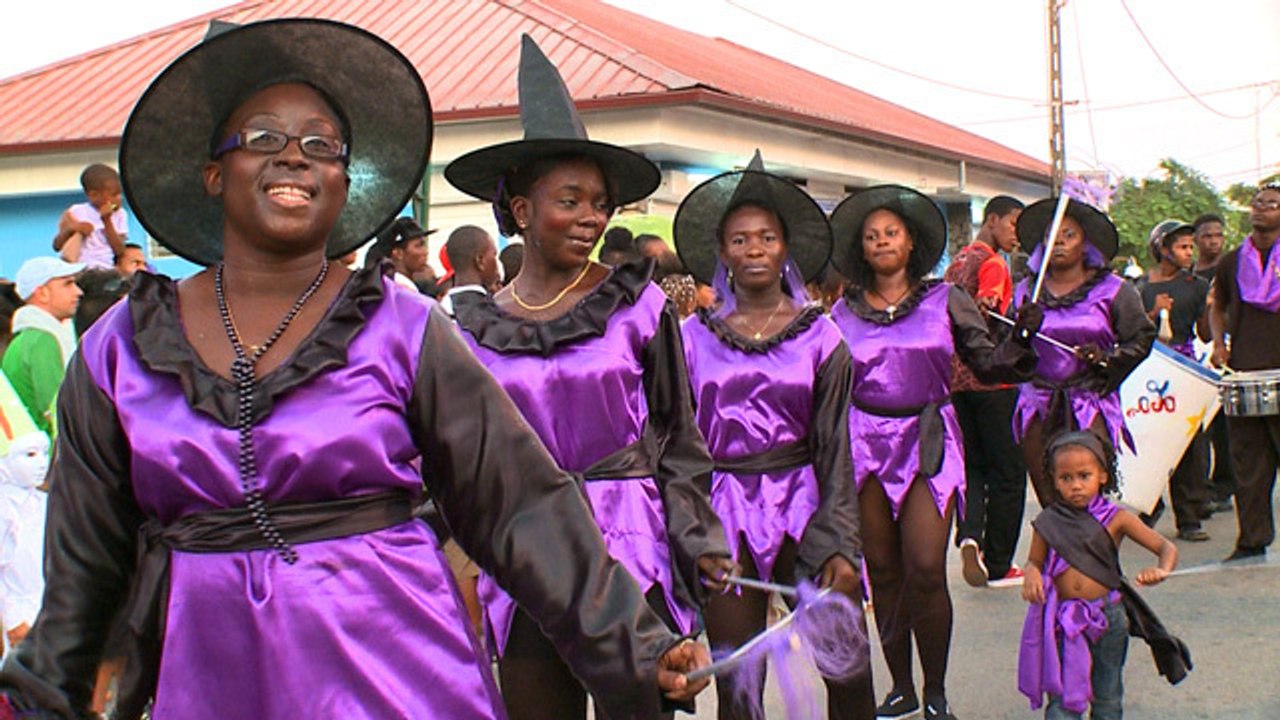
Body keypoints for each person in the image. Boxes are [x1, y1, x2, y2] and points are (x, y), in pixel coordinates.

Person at [0, 20, 713, 720]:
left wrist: (634, 642)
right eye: (263, 139)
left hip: (401, 682)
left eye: (321, 144)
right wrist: (48, 694)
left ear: (344, 182)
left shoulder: (403, 331)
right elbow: (84, 564)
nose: (294, 157)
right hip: (211, 681)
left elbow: (519, 504)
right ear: (215, 173)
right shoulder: (120, 349)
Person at [445, 35, 732, 720]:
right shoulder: (470, 328)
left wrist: (697, 540)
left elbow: (678, 437)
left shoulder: (637, 304)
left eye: (600, 202)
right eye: (569, 200)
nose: (592, 218)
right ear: (520, 211)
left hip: (630, 543)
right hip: (522, 561)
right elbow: (457, 463)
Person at [673, 152, 874, 719]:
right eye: (739, 240)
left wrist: (840, 541)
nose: (754, 248)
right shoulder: (690, 338)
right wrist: (695, 537)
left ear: (786, 247)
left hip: (806, 503)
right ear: (722, 253)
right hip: (723, 509)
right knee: (738, 679)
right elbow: (676, 446)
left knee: (846, 665)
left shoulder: (823, 336)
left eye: (766, 237)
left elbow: (838, 446)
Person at [827, 185, 1040, 720]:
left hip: (928, 438)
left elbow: (989, 364)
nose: (881, 241)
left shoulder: (945, 299)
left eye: (891, 233)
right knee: (883, 570)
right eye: (871, 235)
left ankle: (936, 690)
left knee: (925, 566)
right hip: (863, 441)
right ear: (861, 247)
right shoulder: (840, 311)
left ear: (912, 241)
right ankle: (899, 686)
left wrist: (1024, 339)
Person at [1018, 432, 1184, 720]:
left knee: (1107, 695)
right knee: (1062, 699)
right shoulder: (1048, 522)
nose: (1076, 486)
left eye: (1084, 476)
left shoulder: (1117, 518)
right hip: (1063, 621)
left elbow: (1164, 546)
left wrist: (1162, 569)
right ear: (1054, 481)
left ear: (1103, 476)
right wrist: (1031, 574)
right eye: (1066, 478)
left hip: (1109, 617)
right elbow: (1034, 560)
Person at [1009, 197, 1155, 508]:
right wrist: (1020, 332)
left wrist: (1106, 360)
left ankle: (1093, 555)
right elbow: (1007, 350)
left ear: (1085, 243)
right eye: (1051, 235)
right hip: (1038, 405)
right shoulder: (1025, 292)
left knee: (1088, 499)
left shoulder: (1115, 290)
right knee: (1051, 499)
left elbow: (1141, 338)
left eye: (1069, 234)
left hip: (1089, 404)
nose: (1059, 241)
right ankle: (1055, 557)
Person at [944, 195, 1028, 587]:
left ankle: (970, 535)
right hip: (994, 379)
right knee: (1009, 473)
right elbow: (987, 309)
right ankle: (999, 562)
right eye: (1013, 224)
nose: (1018, 234)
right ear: (992, 220)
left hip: (957, 383)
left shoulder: (957, 262)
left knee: (973, 468)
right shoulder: (994, 264)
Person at [1210, 184, 1280, 562]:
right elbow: (1216, 305)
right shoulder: (1232, 261)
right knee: (1249, 465)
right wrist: (1220, 344)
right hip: (1245, 373)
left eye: (1272, 204)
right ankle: (1252, 540)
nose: (1262, 209)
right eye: (1258, 203)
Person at [1134, 220, 1211, 541]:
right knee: (1147, 437)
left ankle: (1190, 516)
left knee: (1189, 442)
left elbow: (1205, 332)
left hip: (1183, 368)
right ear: (1163, 249)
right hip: (1146, 368)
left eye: (1190, 246)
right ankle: (1149, 504)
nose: (1188, 252)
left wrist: (1211, 309)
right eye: (1182, 246)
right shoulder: (1138, 287)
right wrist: (1153, 313)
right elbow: (1130, 327)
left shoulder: (1196, 285)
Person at [2, 257, 84, 437]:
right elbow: (58, 411)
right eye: (67, 284)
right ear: (42, 293)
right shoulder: (42, 340)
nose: (78, 292)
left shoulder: (28, 337)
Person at [0, 374, 51, 654]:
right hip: (19, 616)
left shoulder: (44, 502)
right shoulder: (4, 509)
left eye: (44, 453)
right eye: (30, 455)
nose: (41, 463)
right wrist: (11, 618)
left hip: (47, 608)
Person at [1191, 213, 1234, 513]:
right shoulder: (1190, 275)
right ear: (1195, 239)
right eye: (1207, 235)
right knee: (1199, 425)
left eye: (1218, 235)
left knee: (1226, 426)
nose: (1213, 241)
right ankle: (1200, 486)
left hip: (1227, 352)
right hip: (1195, 355)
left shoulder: (1229, 270)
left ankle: (1225, 484)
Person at [51, 164, 129, 270]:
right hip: (78, 270)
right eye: (113, 195)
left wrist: (107, 221)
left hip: (105, 269)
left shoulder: (120, 214)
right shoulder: (76, 211)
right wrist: (72, 228)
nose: (119, 199)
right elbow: (57, 246)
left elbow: (119, 250)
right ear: (93, 195)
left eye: (120, 194)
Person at [438, 224, 500, 316]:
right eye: (494, 255)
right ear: (480, 261)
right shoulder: (491, 314)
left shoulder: (438, 311)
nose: (497, 264)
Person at [365, 216, 432, 291]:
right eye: (418, 246)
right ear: (398, 253)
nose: (426, 252)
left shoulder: (385, 283)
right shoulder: (401, 288)